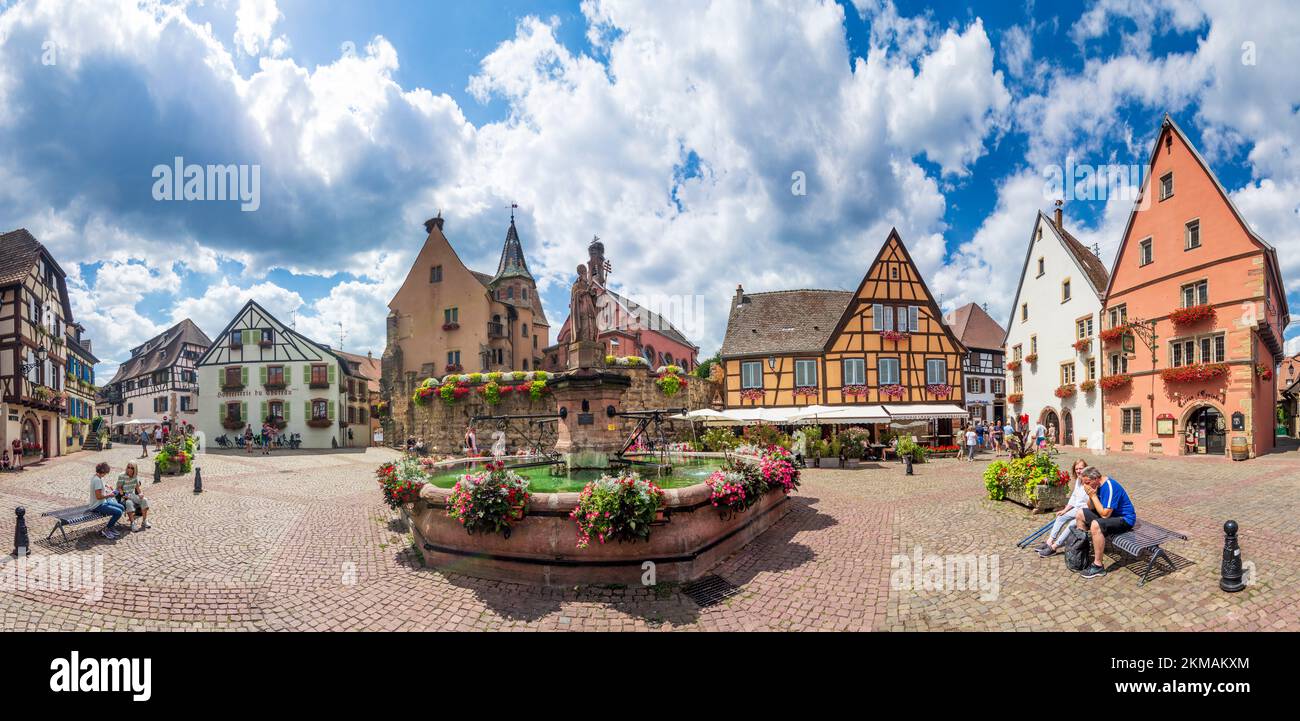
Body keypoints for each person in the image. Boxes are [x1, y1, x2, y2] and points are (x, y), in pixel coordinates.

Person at [1074, 466, 1137, 579]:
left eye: (1088, 483)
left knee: (1096, 525)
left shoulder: (1110, 487)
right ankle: (1082, 553)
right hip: (1111, 516)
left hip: (1125, 519)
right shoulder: (1096, 485)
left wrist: (1093, 495)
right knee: (1080, 514)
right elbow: (1091, 507)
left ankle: (1098, 566)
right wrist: (1091, 496)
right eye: (1084, 484)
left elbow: (1104, 514)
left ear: (1096, 478)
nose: (1086, 486)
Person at [1037, 459, 1090, 557]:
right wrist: (1065, 510)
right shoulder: (1078, 480)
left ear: (1086, 468)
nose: (1078, 471)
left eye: (1081, 468)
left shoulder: (1089, 482)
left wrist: (1080, 515)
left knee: (1072, 523)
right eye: (1076, 469)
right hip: (1077, 509)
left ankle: (1054, 547)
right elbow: (1074, 497)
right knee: (1061, 516)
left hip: (1086, 512)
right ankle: (1049, 542)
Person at [89, 461, 124, 540]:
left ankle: (111, 527)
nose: (105, 475)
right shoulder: (97, 480)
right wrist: (110, 495)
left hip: (103, 502)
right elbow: (98, 496)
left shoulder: (97, 477)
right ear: (102, 471)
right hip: (97, 505)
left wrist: (107, 485)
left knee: (121, 507)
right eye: (105, 473)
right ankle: (106, 529)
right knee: (118, 512)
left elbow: (101, 484)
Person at [116, 462, 151, 532]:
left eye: (132, 468)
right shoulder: (122, 476)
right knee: (129, 503)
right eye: (128, 467)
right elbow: (119, 488)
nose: (130, 469)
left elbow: (137, 488)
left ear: (135, 469)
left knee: (144, 500)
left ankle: (144, 521)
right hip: (124, 496)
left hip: (132, 495)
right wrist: (124, 495)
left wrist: (141, 494)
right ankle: (133, 523)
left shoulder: (135, 476)